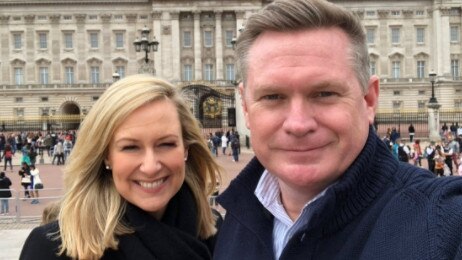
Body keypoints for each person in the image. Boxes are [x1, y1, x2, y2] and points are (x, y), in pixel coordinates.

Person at [214, 1, 462, 259]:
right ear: (244, 106)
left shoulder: (444, 224)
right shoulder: (235, 217)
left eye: (324, 93)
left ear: (368, 99)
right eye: (273, 96)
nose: (298, 124)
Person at [20, 74, 222, 259]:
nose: (150, 167)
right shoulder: (51, 247)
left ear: (186, 149)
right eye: (130, 147)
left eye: (166, 144)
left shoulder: (215, 228)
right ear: (106, 156)